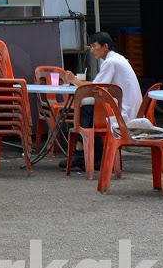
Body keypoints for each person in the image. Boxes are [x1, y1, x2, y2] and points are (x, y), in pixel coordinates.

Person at [62, 30, 144, 169]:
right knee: (90, 111)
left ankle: (81, 152)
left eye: (94, 46)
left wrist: (74, 80)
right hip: (131, 109)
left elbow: (94, 88)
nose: (92, 50)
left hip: (123, 113)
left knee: (86, 110)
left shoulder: (110, 62)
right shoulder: (119, 59)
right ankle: (92, 155)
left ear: (105, 46)